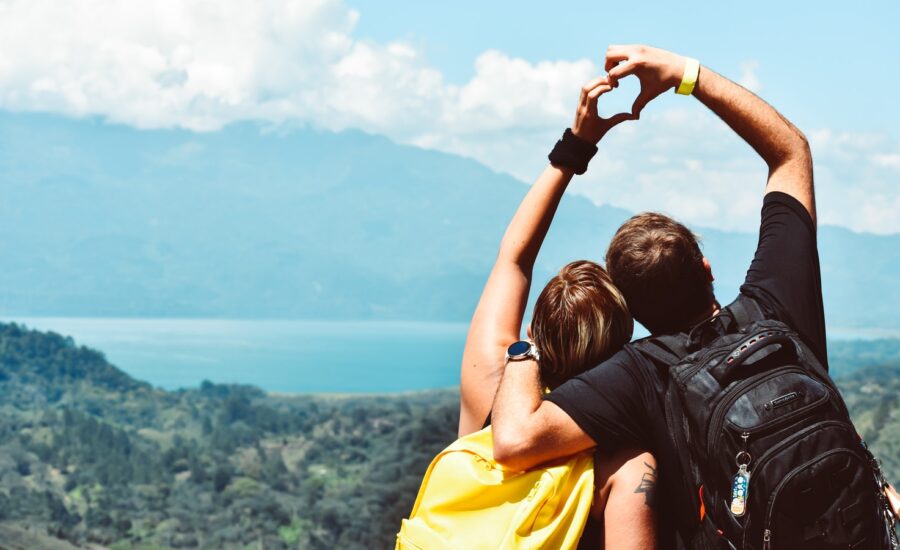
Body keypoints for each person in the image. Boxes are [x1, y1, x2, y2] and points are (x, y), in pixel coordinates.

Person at [489, 44, 834, 548]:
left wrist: (529, 348)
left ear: (629, 307)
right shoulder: (777, 304)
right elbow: (791, 150)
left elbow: (515, 439)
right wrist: (684, 75)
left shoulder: (640, 375)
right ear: (706, 268)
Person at [458, 75, 656, 548]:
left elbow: (514, 257)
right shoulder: (624, 462)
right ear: (620, 348)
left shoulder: (490, 383)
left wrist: (577, 146)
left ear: (533, 330)